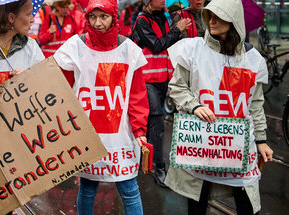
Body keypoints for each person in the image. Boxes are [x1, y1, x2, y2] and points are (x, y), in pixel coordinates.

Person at [166, 0, 274, 214]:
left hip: (239, 145)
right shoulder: (192, 49)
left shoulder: (252, 59)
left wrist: (261, 140)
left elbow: (255, 104)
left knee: (248, 205)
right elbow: (177, 87)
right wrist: (195, 106)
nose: (211, 21)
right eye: (209, 16)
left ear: (233, 20)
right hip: (203, 142)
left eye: (218, 16)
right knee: (198, 202)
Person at [53, 0, 149, 214]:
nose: (97, 23)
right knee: (87, 186)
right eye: (92, 17)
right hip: (87, 135)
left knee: (129, 188)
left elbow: (137, 96)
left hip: (121, 137)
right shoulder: (74, 47)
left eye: (103, 17)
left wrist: (140, 131)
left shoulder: (129, 50)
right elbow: (59, 88)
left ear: (114, 17)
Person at [131, 0, 191, 188]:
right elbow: (157, 45)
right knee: (157, 120)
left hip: (163, 78)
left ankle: (143, 158)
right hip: (146, 79)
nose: (164, 1)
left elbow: (169, 45)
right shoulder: (142, 20)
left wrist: (178, 28)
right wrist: (177, 30)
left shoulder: (163, 18)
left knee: (150, 122)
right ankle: (159, 167)